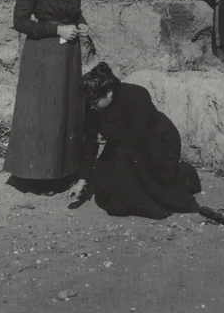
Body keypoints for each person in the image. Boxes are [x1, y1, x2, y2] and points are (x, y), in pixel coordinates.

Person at [3, 0, 89, 185]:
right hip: (42, 54)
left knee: (66, 109)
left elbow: (75, 11)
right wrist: (57, 30)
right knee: (44, 112)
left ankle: (62, 172)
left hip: (68, 53)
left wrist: (81, 24)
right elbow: (20, 22)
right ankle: (37, 176)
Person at [68, 62, 203, 219]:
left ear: (109, 93)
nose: (91, 108)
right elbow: (91, 141)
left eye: (95, 103)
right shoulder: (95, 104)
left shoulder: (137, 96)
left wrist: (106, 132)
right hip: (124, 143)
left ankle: (182, 176)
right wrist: (82, 180)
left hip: (159, 143)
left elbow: (136, 137)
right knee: (105, 185)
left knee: (129, 170)